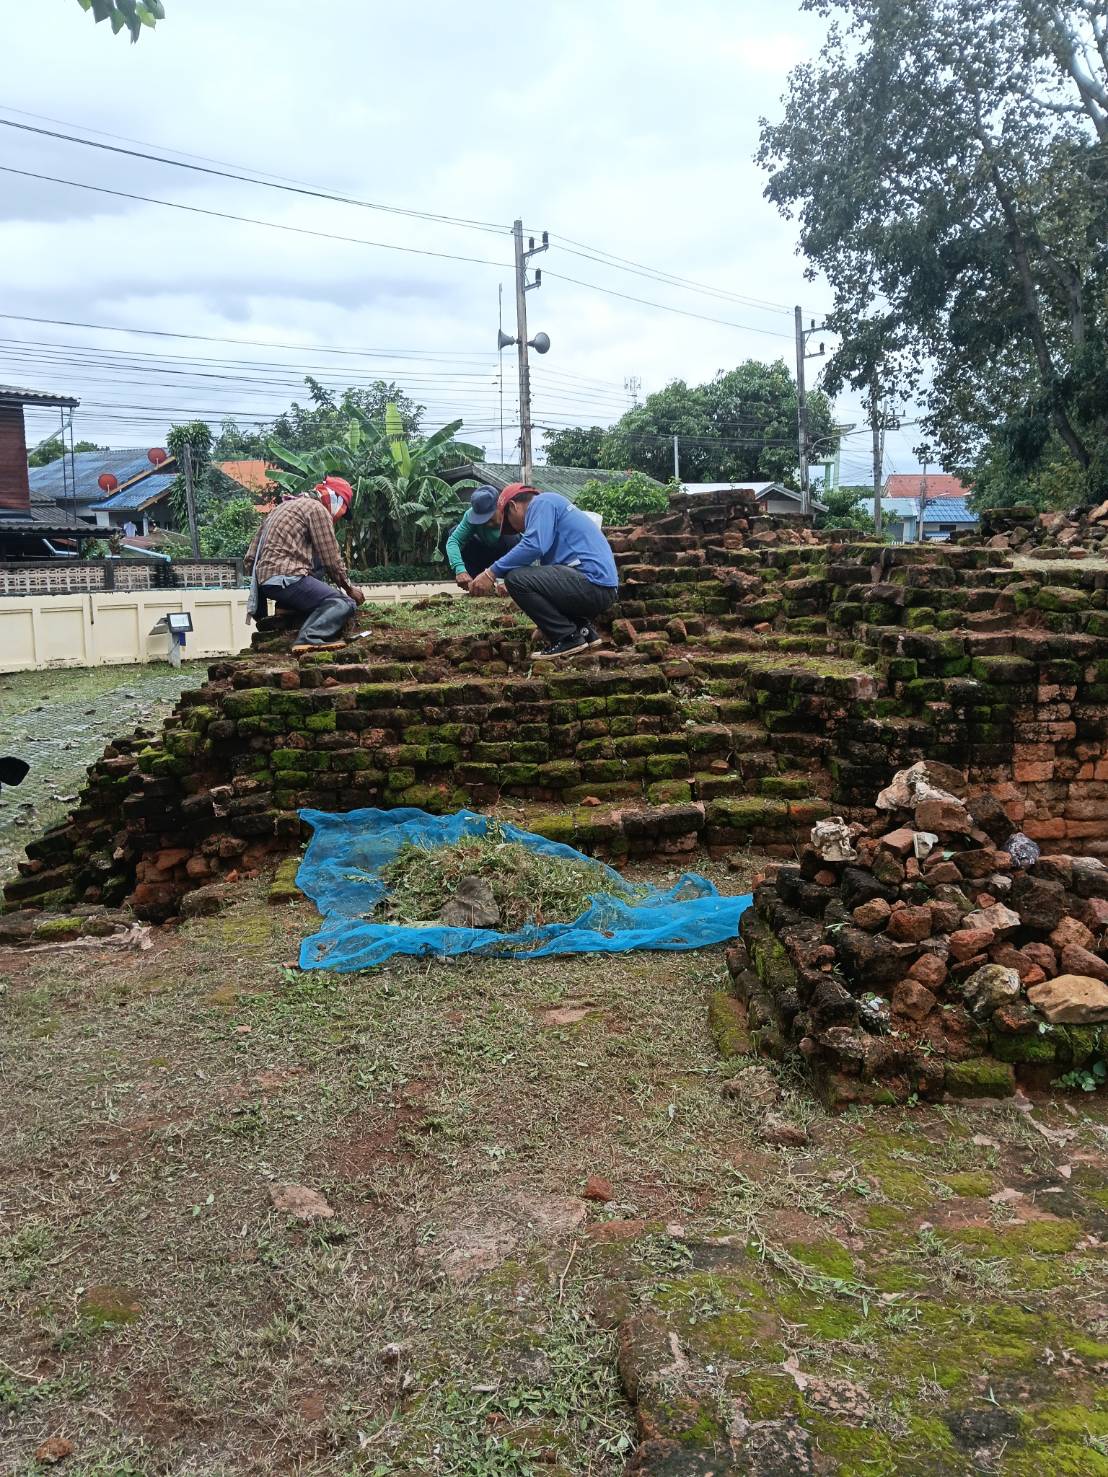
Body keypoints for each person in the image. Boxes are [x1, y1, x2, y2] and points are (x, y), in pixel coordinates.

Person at [468, 484, 619, 660]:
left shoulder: (542, 502)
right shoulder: (553, 512)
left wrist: (490, 573)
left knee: (516, 579)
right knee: (528, 578)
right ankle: (584, 632)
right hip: (599, 587)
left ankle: (567, 637)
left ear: (513, 506)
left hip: (593, 583)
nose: (518, 530)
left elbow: (533, 546)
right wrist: (545, 625)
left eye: (509, 523)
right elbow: (551, 586)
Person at [244, 476, 366, 651]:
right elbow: (331, 559)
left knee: (313, 556)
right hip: (287, 578)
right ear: (336, 499)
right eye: (342, 510)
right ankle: (311, 637)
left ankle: (287, 608)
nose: (339, 517)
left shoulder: (282, 507)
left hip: (266, 582)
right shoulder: (317, 509)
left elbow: (250, 557)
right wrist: (349, 589)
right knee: (343, 603)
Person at [444, 485, 520, 588]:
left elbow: (528, 549)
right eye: (481, 520)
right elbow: (454, 541)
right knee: (453, 532)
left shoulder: (514, 514)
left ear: (499, 507)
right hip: (482, 556)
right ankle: (474, 582)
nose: (487, 524)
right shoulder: (469, 515)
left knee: (513, 538)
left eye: (489, 519)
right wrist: (460, 569)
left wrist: (509, 582)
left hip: (507, 559)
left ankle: (508, 580)